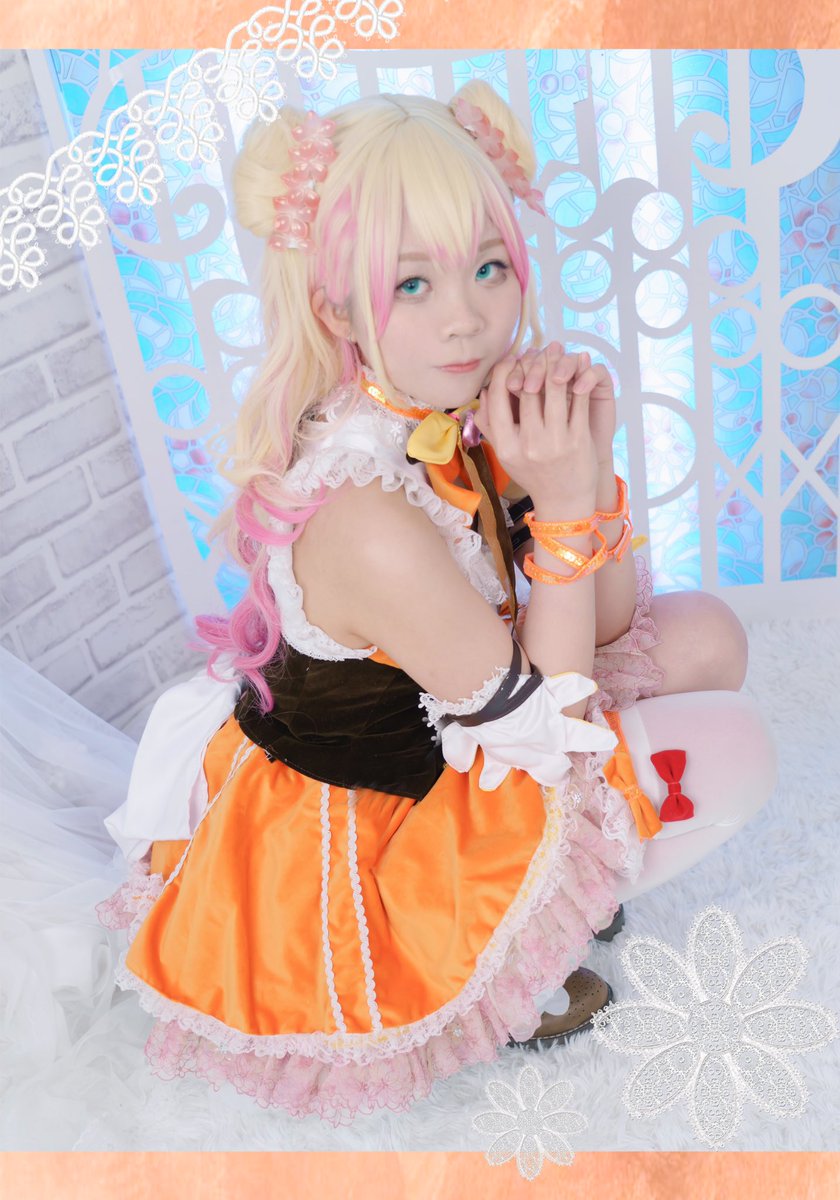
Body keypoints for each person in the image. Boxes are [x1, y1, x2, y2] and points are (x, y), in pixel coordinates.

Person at [96, 82, 778, 1126]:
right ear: (337, 309)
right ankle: (513, 956)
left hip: (473, 723)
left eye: (488, 267)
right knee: (732, 748)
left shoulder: (451, 402)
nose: (467, 316)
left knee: (708, 638)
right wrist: (561, 509)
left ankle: (553, 900)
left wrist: (586, 470)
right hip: (384, 825)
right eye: (412, 283)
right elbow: (542, 737)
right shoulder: (364, 512)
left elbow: (605, 625)